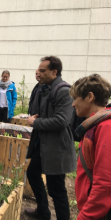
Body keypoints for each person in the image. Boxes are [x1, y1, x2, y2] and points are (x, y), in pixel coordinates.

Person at [25, 56, 76, 220]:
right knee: (32, 174)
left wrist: (36, 121)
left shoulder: (64, 91)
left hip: (57, 148)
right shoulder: (45, 88)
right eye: (38, 70)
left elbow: (62, 121)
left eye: (42, 70)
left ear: (54, 72)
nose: (38, 73)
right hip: (43, 145)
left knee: (56, 189)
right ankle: (43, 212)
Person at [70, 74, 111, 220]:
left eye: (75, 98)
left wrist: (85, 216)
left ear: (89, 97)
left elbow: (105, 184)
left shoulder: (105, 128)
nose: (73, 104)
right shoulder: (94, 125)